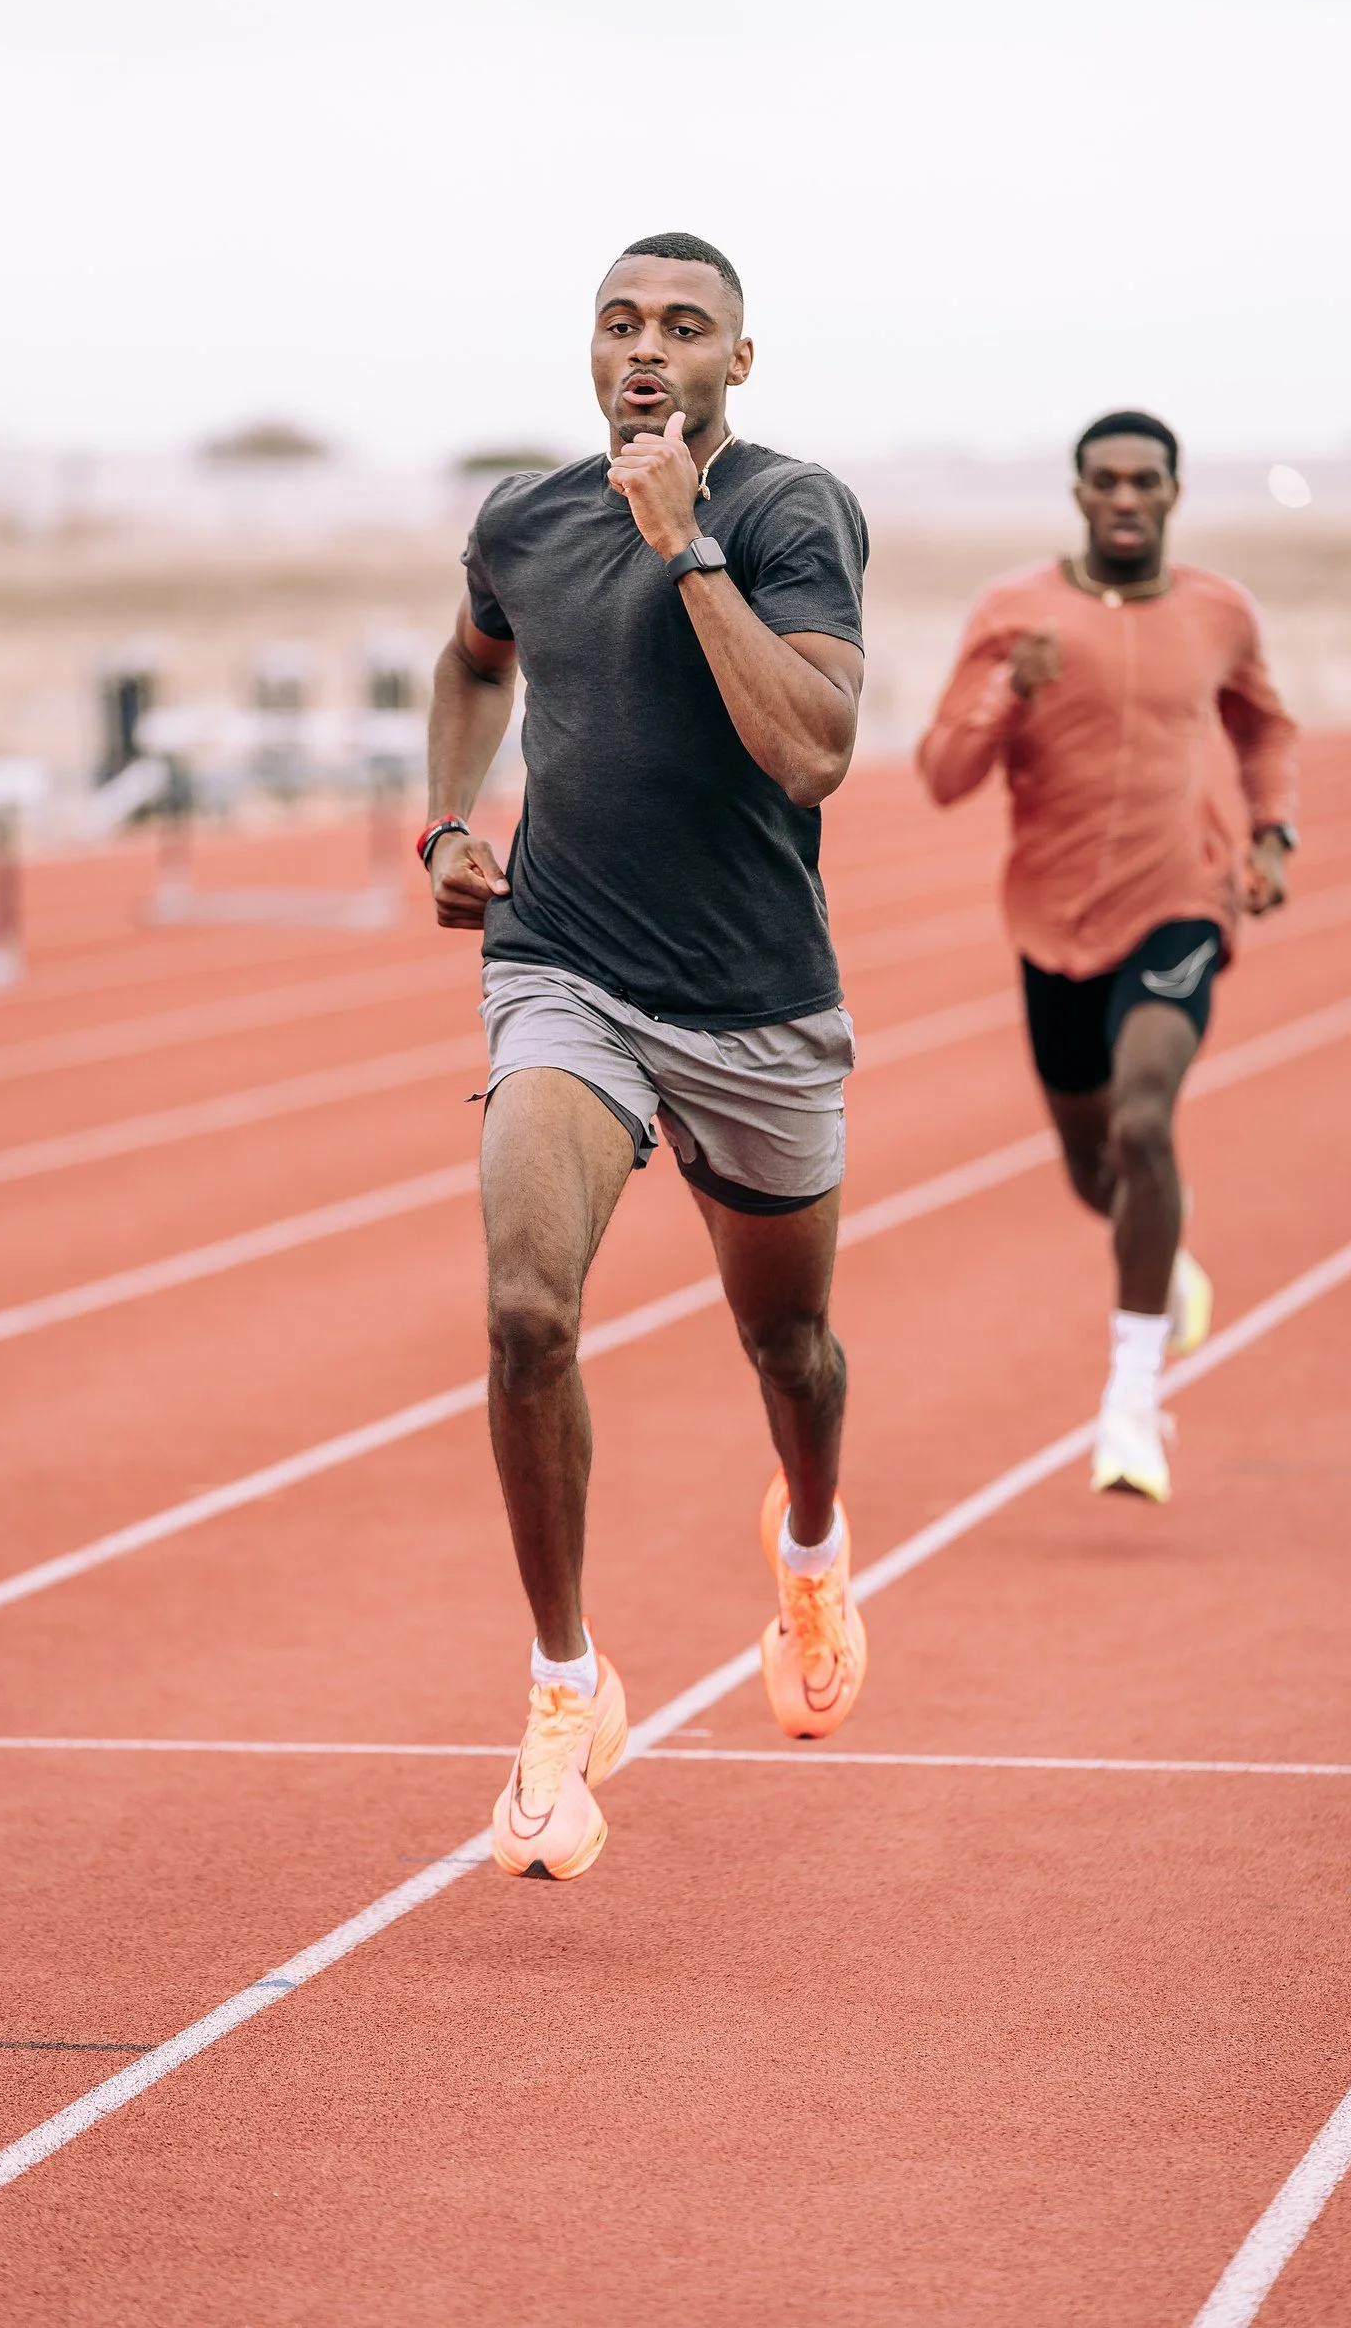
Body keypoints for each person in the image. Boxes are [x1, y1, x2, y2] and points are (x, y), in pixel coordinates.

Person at [421, 232, 871, 1879]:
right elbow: (476, 656)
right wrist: (449, 819)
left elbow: (810, 750)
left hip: (754, 999)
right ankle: (562, 1681)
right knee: (525, 1308)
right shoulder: (521, 520)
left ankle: (809, 1541)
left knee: (792, 1349)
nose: (644, 349)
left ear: (735, 363)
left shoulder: (783, 515)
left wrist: (687, 552)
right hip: (565, 970)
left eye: (683, 326)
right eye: (617, 322)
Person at [917, 411, 1299, 1502]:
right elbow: (945, 771)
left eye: (1145, 481)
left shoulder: (1220, 611)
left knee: (1144, 1119)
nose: (1125, 498)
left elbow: (1266, 727)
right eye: (1105, 482)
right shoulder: (1014, 612)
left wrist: (1271, 837)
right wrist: (1007, 689)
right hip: (1051, 922)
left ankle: (1133, 1398)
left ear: (1174, 493)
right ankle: (1159, 1255)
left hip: (1181, 900)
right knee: (1100, 1170)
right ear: (1077, 495)